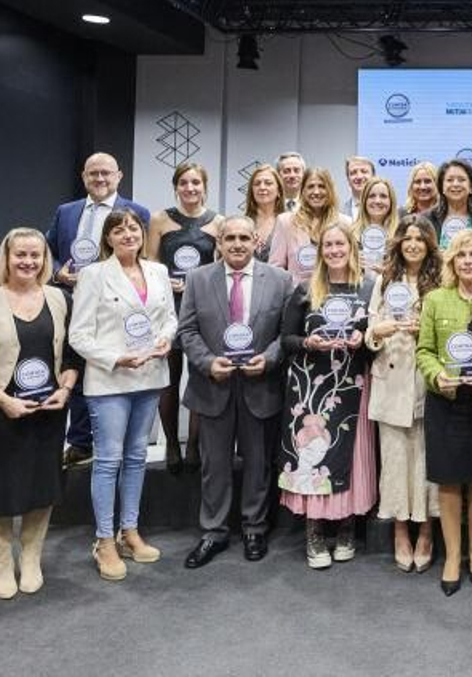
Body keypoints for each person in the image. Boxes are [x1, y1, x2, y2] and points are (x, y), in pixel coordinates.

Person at [0, 228, 82, 600]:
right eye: (21, 255)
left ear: (46, 260)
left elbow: (74, 356)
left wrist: (65, 389)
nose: (28, 262)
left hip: (47, 413)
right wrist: (4, 401)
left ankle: (30, 559)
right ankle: (1, 564)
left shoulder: (61, 298)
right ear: (6, 258)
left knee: (40, 488)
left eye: (36, 255)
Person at [177, 216, 294, 569]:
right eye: (230, 238)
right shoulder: (198, 279)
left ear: (257, 240)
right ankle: (213, 532)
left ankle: (254, 528)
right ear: (220, 242)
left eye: (244, 237)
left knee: (258, 464)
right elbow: (187, 330)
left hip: (261, 385)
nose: (237, 244)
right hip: (214, 385)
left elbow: (286, 334)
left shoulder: (281, 280)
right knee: (215, 465)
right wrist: (208, 362)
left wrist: (271, 359)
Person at [68, 208, 176, 581]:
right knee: (109, 460)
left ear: (143, 234)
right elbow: (78, 335)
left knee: (136, 458)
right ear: (108, 238)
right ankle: (104, 541)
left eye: (133, 228)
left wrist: (166, 340)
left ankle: (129, 532)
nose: (128, 234)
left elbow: (170, 319)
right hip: (110, 381)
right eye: (119, 230)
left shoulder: (159, 272)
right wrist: (116, 358)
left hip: (149, 376)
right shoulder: (94, 275)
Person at [278, 222, 377, 569]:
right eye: (329, 245)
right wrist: (308, 342)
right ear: (321, 251)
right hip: (311, 389)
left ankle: (347, 528)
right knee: (315, 456)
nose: (335, 250)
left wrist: (363, 341)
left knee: (348, 455)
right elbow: (285, 339)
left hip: (353, 384)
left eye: (341, 244)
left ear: (352, 247)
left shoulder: (369, 287)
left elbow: (378, 338)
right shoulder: (306, 288)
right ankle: (315, 532)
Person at [417, 229, 472, 596]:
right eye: (461, 255)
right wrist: (438, 375)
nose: (468, 261)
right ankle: (453, 556)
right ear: (451, 262)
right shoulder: (436, 300)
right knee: (450, 479)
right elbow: (424, 350)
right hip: (447, 400)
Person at [46, 152, 151, 467]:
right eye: (94, 174)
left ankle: (115, 443)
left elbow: (142, 255)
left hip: (117, 306)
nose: (100, 179)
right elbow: (49, 250)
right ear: (83, 177)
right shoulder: (66, 212)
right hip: (72, 300)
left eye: (106, 173)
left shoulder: (136, 212)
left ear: (119, 176)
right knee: (74, 369)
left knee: (111, 370)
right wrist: (58, 271)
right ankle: (79, 442)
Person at [366, 216, 442, 574]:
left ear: (430, 244)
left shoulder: (441, 280)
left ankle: (426, 530)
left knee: (426, 458)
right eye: (407, 238)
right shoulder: (385, 279)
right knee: (395, 457)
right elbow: (369, 330)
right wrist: (381, 329)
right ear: (398, 242)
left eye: (420, 238)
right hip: (391, 374)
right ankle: (399, 529)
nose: (413, 244)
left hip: (426, 379)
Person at [147, 162, 224, 474]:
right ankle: (171, 445)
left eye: (196, 182)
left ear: (204, 186)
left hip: (202, 309)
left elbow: (220, 266)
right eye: (184, 183)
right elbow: (149, 262)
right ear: (176, 187)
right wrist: (165, 280)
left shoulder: (218, 222)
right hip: (168, 307)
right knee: (168, 379)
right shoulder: (159, 220)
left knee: (200, 379)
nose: (190, 188)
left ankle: (193, 443)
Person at [269, 167, 349, 286]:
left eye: (321, 186)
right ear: (303, 191)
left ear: (330, 190)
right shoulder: (286, 222)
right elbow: (275, 269)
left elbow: (351, 265)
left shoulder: (346, 223)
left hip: (335, 298)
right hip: (298, 299)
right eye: (310, 187)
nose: (316, 192)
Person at [426, 158, 472, 248]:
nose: (455, 184)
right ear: (442, 187)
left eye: (461, 180)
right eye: (450, 180)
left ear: (471, 187)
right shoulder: (427, 219)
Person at [352, 176, 401, 275]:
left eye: (383, 196)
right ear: (364, 201)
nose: (377, 201)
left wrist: (389, 273)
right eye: (372, 196)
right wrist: (352, 264)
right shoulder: (350, 234)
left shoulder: (401, 235)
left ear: (391, 201)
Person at [242, 162, 282, 263]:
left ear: (279, 191)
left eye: (268, 183)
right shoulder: (242, 223)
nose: (262, 187)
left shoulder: (290, 223)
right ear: (252, 191)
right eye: (257, 183)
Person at [343, 155, 376, 220]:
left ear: (373, 177)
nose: (359, 177)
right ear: (348, 179)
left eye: (364, 171)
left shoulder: (387, 209)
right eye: (353, 173)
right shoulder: (339, 212)